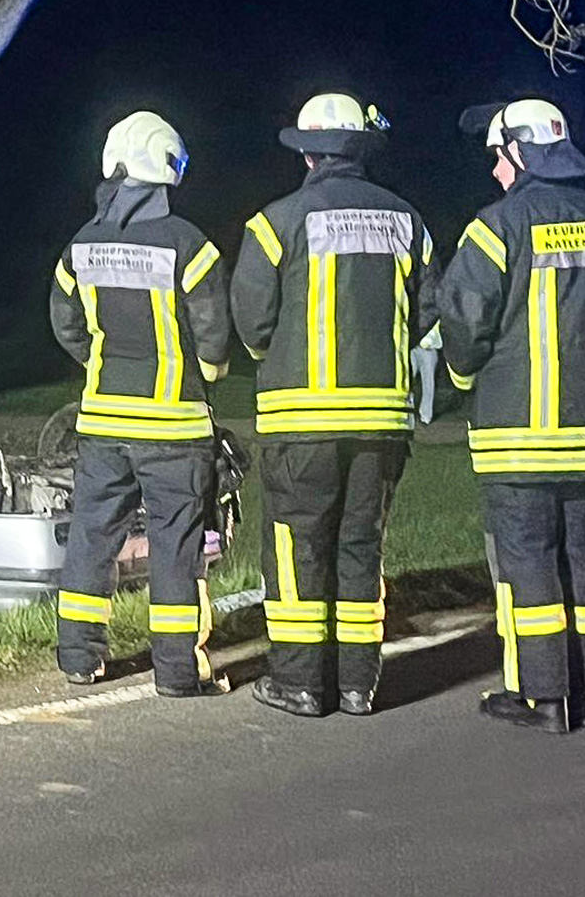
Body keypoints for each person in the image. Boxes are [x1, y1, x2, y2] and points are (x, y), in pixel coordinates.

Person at [432, 98, 585, 733]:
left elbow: (465, 325)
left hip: (518, 437)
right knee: (584, 560)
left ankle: (542, 697)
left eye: (497, 157)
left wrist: (460, 379)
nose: (495, 171)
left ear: (518, 152)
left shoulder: (496, 225)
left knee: (526, 562)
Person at [230, 93, 432, 717]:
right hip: (383, 423)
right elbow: (427, 312)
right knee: (359, 545)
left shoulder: (275, 222)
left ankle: (298, 682)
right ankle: (356, 683)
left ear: (308, 153)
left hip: (302, 420)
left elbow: (251, 320)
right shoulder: (409, 222)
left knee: (298, 547)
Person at [49, 110, 233, 698]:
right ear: (167, 170)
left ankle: (78, 657)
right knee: (176, 546)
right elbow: (212, 331)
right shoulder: (190, 244)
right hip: (175, 428)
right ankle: (178, 671)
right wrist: (207, 376)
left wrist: (98, 366)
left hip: (102, 422)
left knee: (92, 538)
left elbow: (65, 322)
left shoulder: (81, 245)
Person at [412, 323, 443, 424]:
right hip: (413, 346)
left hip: (429, 347)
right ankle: (412, 413)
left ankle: (426, 416)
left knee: (428, 383)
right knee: (408, 380)